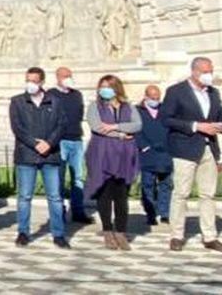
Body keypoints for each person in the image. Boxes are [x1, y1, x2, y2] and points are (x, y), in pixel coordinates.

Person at [159, 56, 222, 252]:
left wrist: (221, 125)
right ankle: (177, 235)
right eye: (207, 71)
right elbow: (166, 119)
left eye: (211, 71)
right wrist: (196, 126)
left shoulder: (213, 93)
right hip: (185, 148)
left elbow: (221, 115)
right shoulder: (176, 91)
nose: (210, 75)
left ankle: (209, 236)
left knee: (208, 194)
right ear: (195, 71)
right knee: (181, 193)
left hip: (209, 147)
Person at [8, 66, 67, 247]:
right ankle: (23, 232)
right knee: (24, 196)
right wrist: (35, 144)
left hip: (50, 155)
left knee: (55, 196)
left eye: (34, 81)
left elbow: (61, 124)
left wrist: (49, 143)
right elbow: (17, 128)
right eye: (28, 80)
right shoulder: (18, 101)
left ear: (41, 82)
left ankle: (58, 234)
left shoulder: (54, 101)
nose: (30, 84)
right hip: (26, 154)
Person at [85, 74, 140, 251]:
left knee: (121, 195)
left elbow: (137, 125)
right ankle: (108, 230)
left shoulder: (128, 106)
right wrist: (122, 135)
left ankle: (121, 232)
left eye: (107, 86)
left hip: (124, 154)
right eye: (101, 86)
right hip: (102, 153)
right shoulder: (95, 106)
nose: (104, 90)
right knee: (105, 193)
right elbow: (97, 127)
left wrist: (116, 127)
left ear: (116, 88)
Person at [52, 66, 91, 224]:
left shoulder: (77, 94)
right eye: (65, 76)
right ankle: (58, 210)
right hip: (60, 140)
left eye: (70, 75)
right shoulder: (51, 94)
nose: (68, 78)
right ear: (58, 77)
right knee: (58, 177)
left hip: (76, 138)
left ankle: (78, 210)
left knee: (78, 177)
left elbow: (80, 113)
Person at [137, 84, 173, 227]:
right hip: (147, 152)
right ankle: (150, 213)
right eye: (152, 98)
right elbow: (135, 130)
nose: (155, 100)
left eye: (157, 98)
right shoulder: (138, 111)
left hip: (165, 152)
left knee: (166, 184)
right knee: (147, 184)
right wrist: (144, 146)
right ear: (146, 97)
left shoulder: (166, 110)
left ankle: (164, 213)